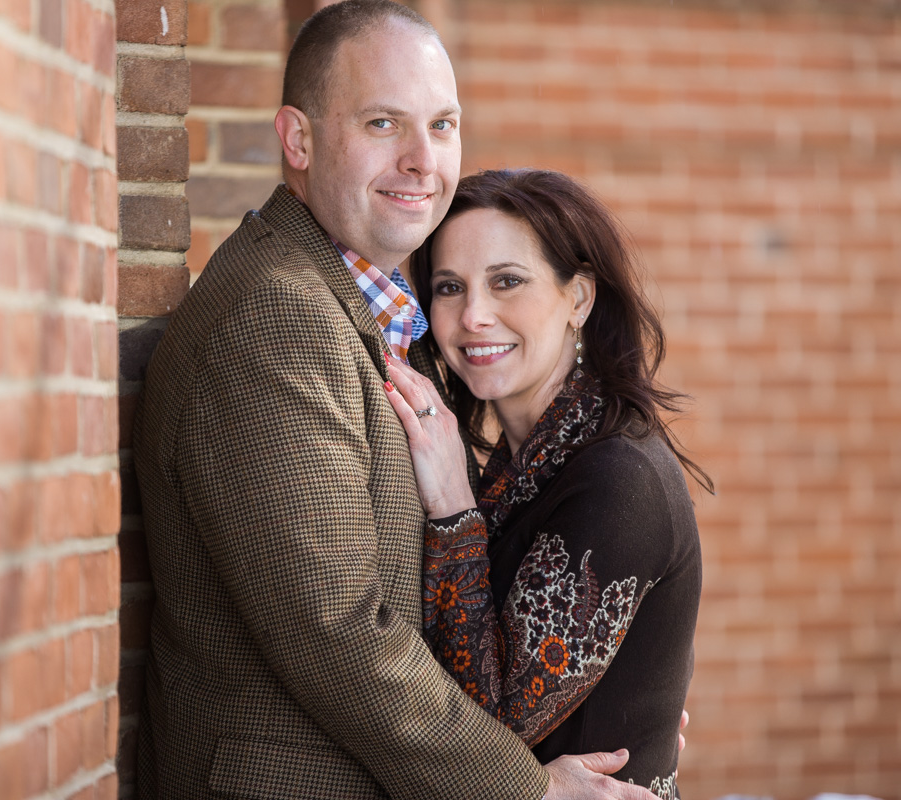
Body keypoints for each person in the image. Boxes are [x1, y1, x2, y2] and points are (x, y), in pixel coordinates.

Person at [132, 1, 664, 798]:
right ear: (299, 139)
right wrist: (531, 790)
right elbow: (341, 637)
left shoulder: (378, 309)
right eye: (384, 123)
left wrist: (627, 706)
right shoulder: (276, 317)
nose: (424, 160)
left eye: (443, 126)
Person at [383, 168, 709, 798]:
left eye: (508, 281)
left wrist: (452, 509)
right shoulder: (523, 467)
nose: (474, 315)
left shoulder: (620, 478)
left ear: (578, 300)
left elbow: (494, 726)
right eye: (450, 287)